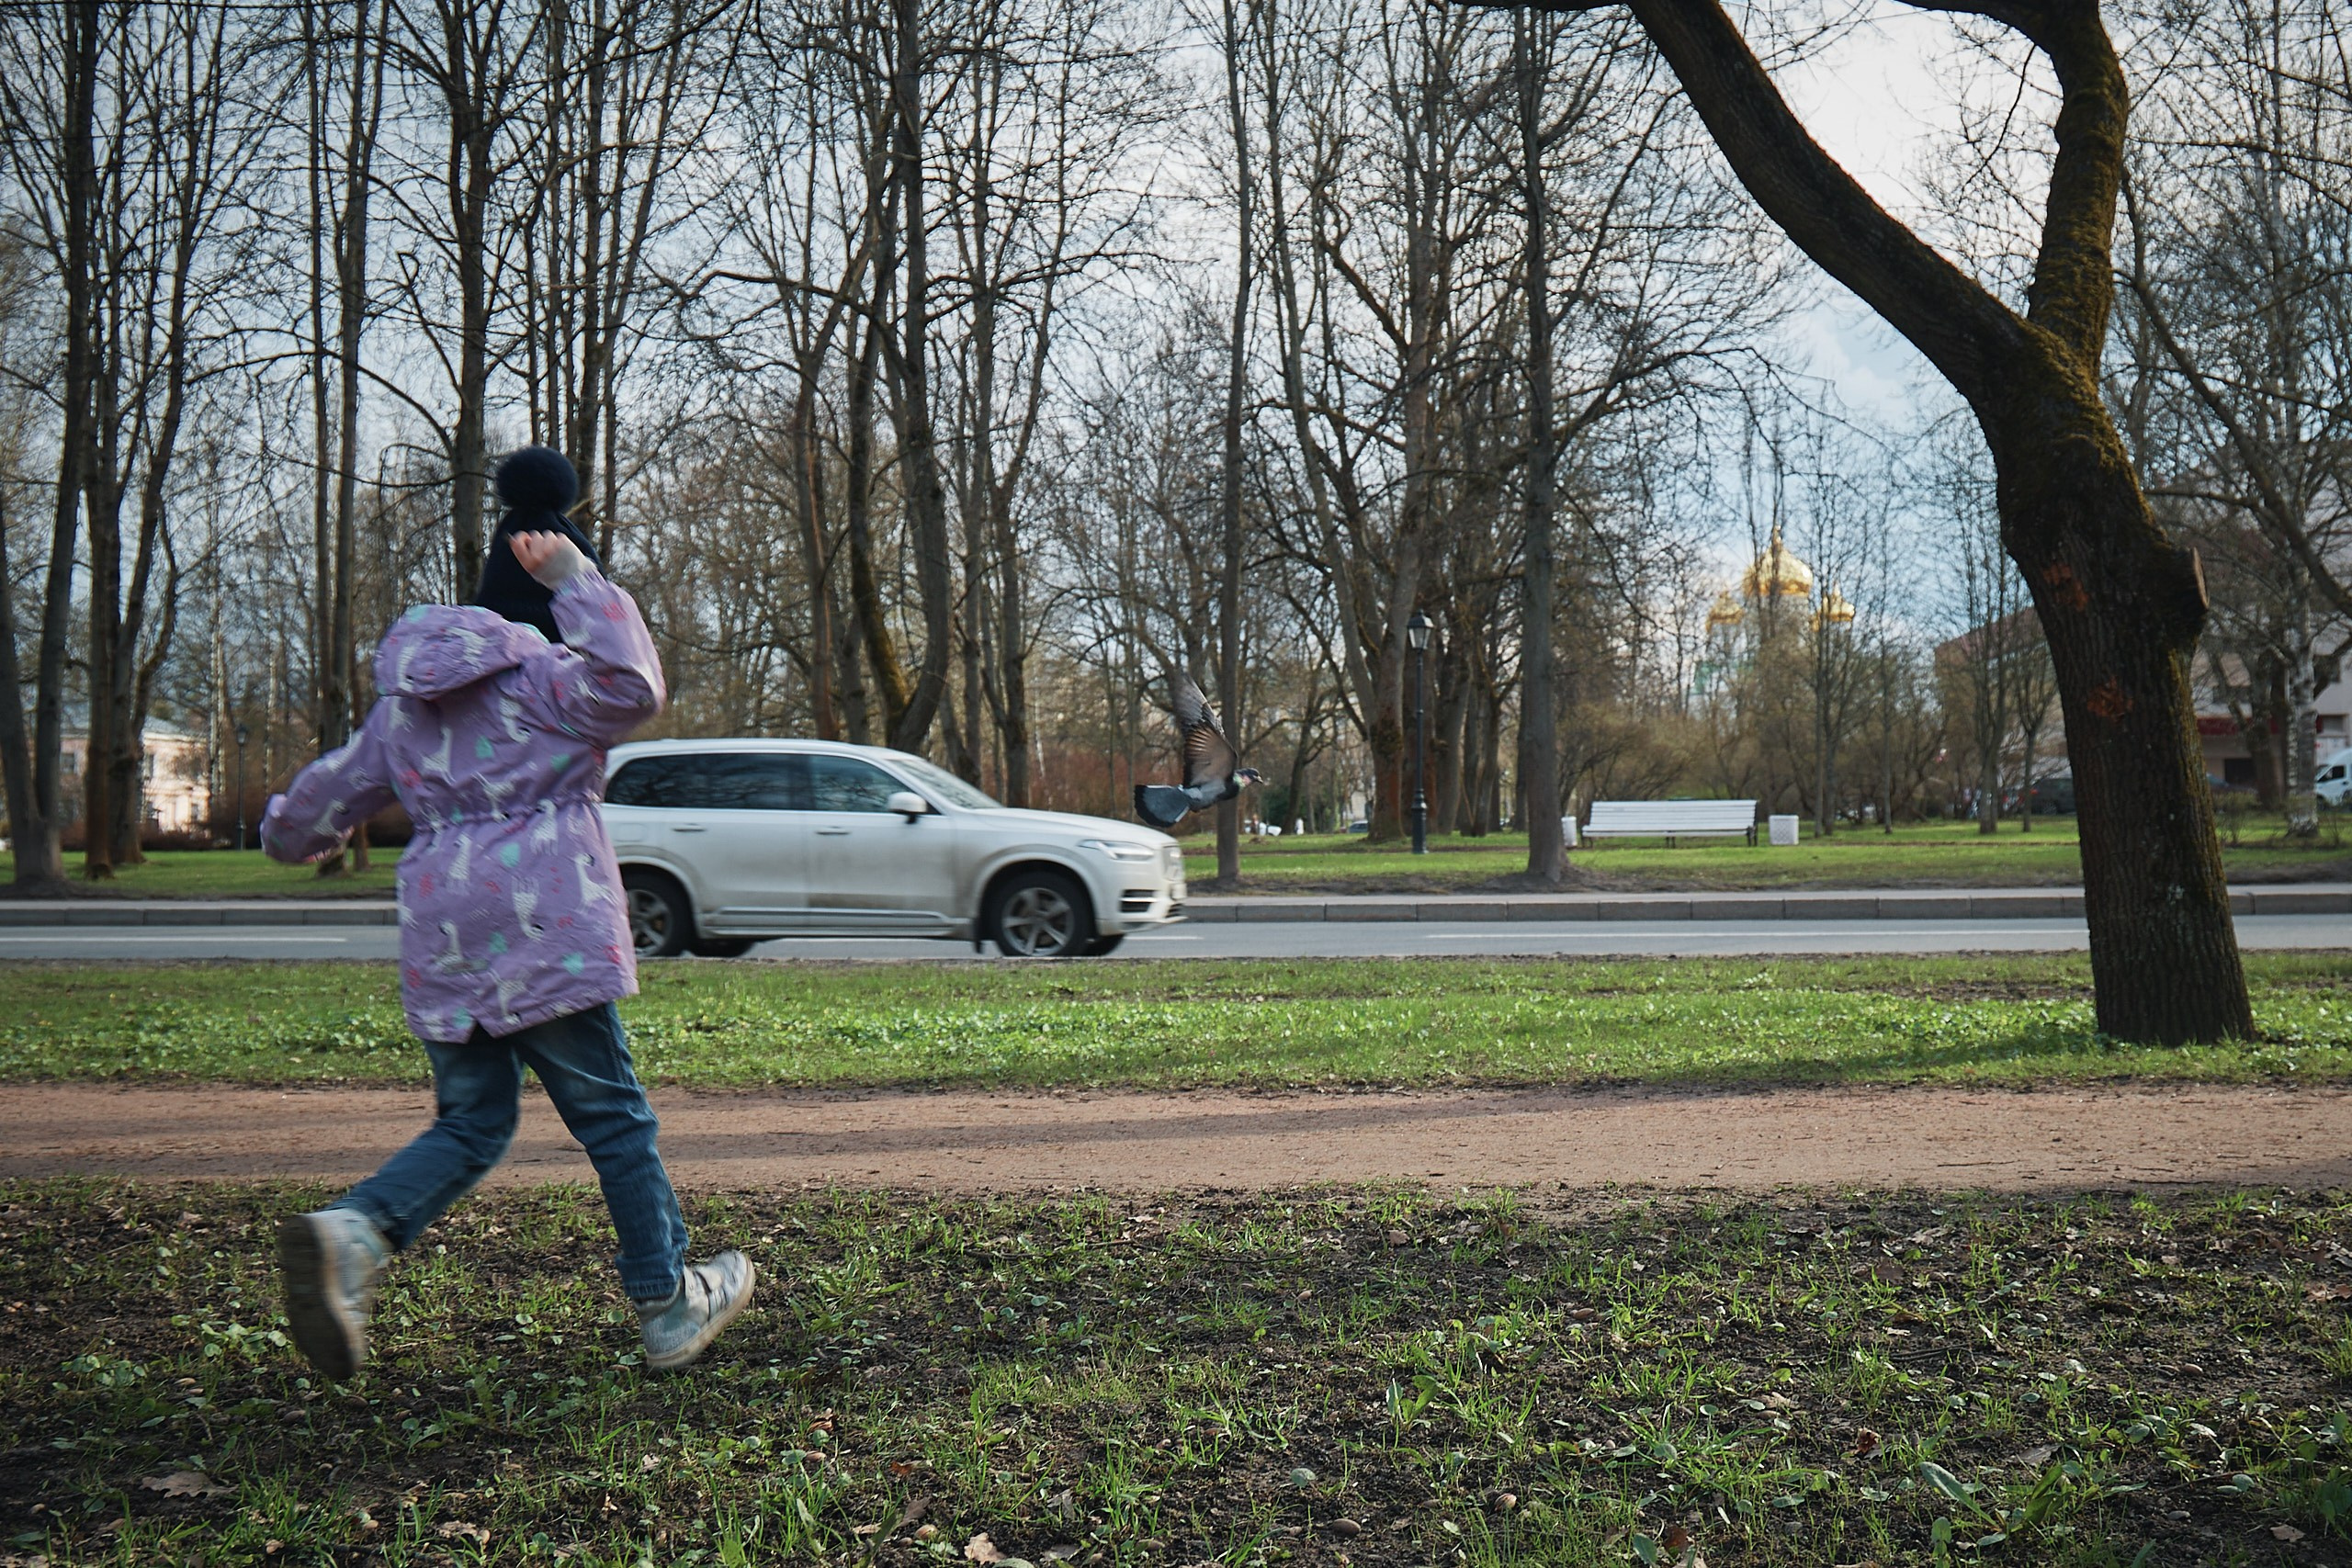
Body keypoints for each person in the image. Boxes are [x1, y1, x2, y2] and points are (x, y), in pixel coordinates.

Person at [261, 446, 753, 1380]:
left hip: (447, 932)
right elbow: (634, 686)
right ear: (540, 617)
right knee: (613, 1121)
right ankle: (665, 1302)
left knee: (472, 1124)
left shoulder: (402, 711)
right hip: (546, 929)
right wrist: (581, 579)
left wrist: (283, 832)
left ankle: (354, 1234)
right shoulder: (548, 687)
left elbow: (319, 805)